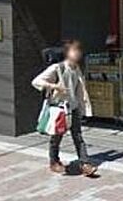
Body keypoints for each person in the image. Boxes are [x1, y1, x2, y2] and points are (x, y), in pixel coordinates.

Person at [32, 40, 98, 176]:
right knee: (57, 137)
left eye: (78, 51)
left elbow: (80, 89)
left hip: (73, 108)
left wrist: (82, 106)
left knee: (78, 137)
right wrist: (54, 86)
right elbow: (36, 81)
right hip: (60, 109)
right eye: (74, 51)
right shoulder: (57, 68)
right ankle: (54, 162)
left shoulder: (76, 68)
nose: (77, 53)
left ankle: (85, 164)